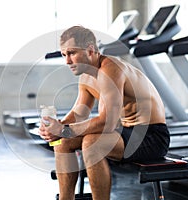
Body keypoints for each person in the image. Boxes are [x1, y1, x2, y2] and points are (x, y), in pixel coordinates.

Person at [39, 26, 170, 200]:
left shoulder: (111, 69)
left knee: (93, 142)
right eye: (64, 55)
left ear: (90, 50)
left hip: (151, 135)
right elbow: (79, 113)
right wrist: (55, 129)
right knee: (62, 142)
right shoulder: (86, 76)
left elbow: (108, 122)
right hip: (125, 133)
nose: (67, 61)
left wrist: (63, 129)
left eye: (71, 53)